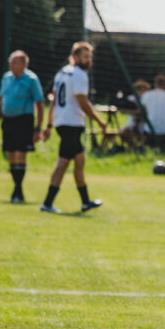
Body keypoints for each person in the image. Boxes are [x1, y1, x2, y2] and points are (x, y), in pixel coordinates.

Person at [39, 41, 104, 214]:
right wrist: (99, 121)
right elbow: (83, 102)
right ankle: (47, 203)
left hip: (63, 122)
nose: (89, 60)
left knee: (79, 161)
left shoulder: (62, 73)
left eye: (90, 57)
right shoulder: (79, 74)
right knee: (63, 163)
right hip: (71, 123)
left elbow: (53, 102)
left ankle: (85, 201)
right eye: (85, 56)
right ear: (75, 57)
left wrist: (50, 124)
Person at [0, 50, 45, 203]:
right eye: (10, 61)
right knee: (11, 154)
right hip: (8, 121)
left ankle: (18, 189)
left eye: (14, 61)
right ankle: (17, 190)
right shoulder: (6, 78)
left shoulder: (31, 79)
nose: (11, 64)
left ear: (23, 64)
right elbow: (1, 102)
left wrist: (38, 128)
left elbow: (40, 104)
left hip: (24, 121)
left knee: (20, 154)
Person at [140, 74, 165, 153]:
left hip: (150, 131)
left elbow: (142, 111)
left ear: (155, 84)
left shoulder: (146, 95)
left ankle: (146, 148)